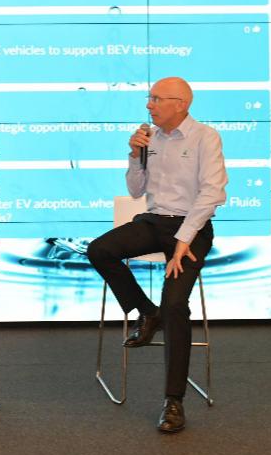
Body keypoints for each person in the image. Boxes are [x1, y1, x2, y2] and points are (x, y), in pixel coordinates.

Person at [86, 76, 227, 433]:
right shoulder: (151, 137)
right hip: (153, 221)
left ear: (180, 104)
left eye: (156, 99)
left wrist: (183, 239)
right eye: (149, 98)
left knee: (176, 304)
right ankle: (148, 312)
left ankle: (173, 401)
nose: (149, 105)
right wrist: (135, 156)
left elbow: (212, 193)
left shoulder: (205, 137)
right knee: (99, 250)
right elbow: (136, 190)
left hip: (193, 228)